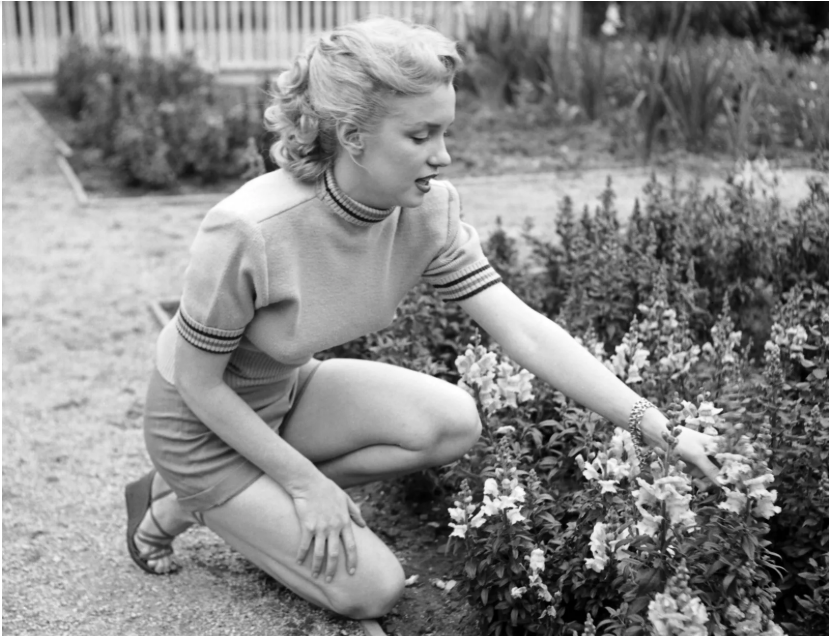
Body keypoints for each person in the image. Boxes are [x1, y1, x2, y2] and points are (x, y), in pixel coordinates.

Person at [125, 16, 721, 621]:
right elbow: (199, 382)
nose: (444, 154)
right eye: (420, 135)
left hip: (284, 394)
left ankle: (189, 504)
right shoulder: (250, 229)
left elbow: (525, 330)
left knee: (453, 421)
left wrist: (660, 427)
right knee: (372, 591)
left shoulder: (427, 212)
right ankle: (184, 495)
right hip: (198, 426)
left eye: (445, 131)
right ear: (353, 135)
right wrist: (307, 487)